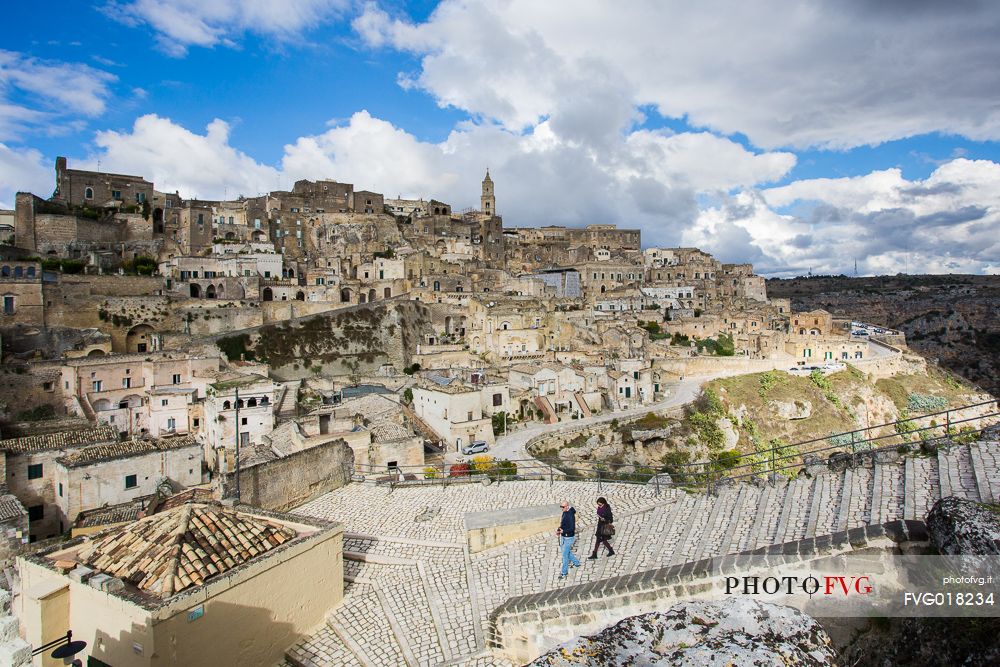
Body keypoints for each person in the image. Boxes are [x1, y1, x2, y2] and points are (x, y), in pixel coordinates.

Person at [556, 501, 581, 578]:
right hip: (563, 536)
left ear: (567, 506)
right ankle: (576, 563)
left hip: (569, 537)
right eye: (561, 507)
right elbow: (563, 523)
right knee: (566, 552)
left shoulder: (570, 515)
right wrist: (559, 530)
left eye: (563, 507)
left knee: (564, 555)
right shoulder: (565, 512)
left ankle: (564, 572)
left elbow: (572, 528)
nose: (561, 509)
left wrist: (564, 531)